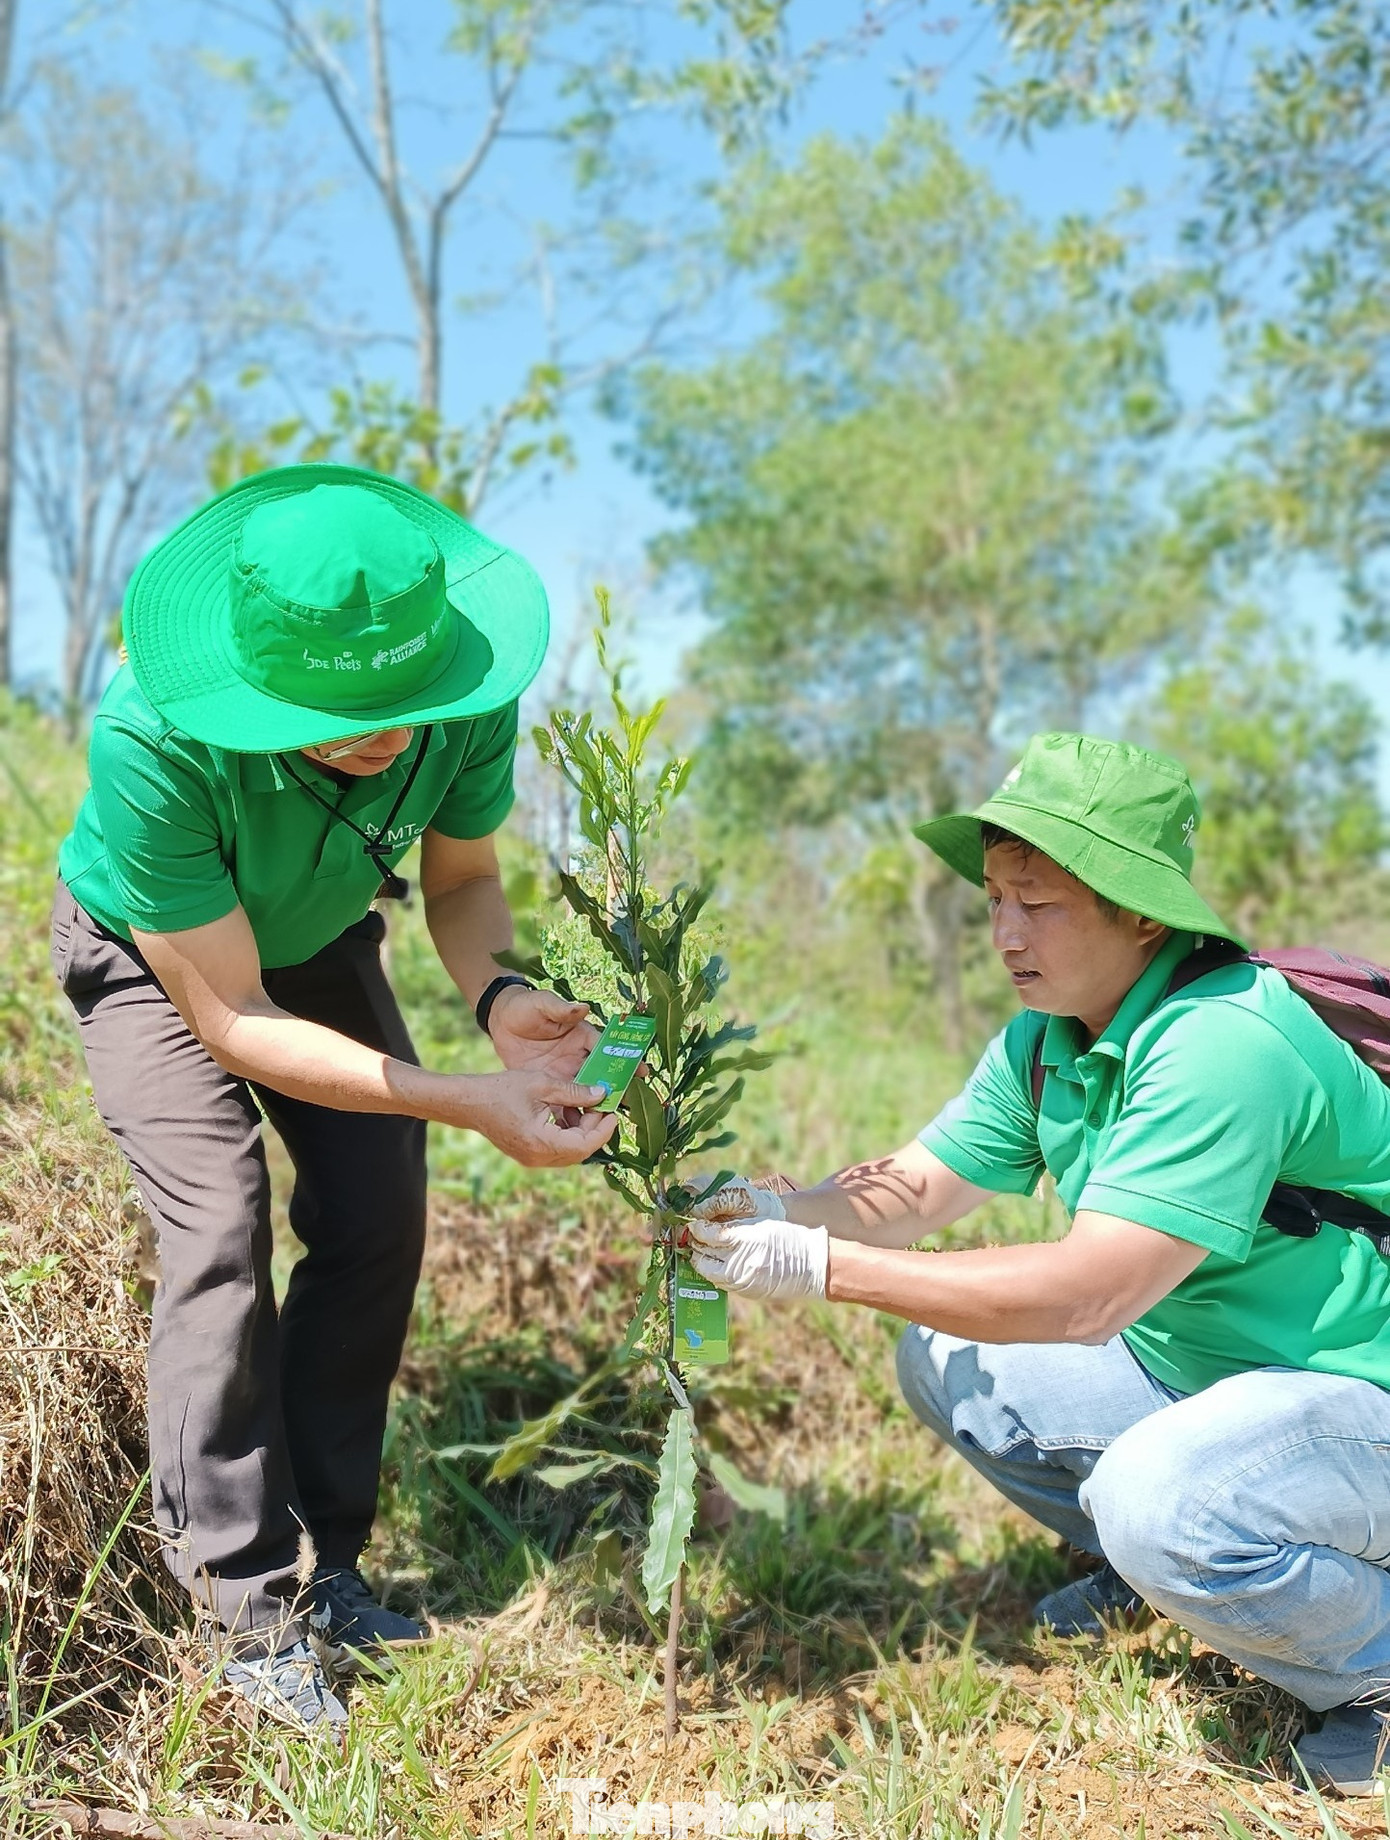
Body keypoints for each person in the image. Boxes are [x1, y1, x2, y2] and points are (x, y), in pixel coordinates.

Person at [690, 731, 1390, 1796]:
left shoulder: (1220, 1042)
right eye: (993, 900)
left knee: (1161, 1502)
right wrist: (777, 1210)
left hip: (1358, 1390)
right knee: (946, 1354)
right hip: (1226, 1372)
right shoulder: (1047, 1040)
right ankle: (1163, 1573)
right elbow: (915, 1188)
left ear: (1143, 913)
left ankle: (1367, 1667)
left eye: (1041, 902)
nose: (1005, 933)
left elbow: (1086, 1296)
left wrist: (818, 1265)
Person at [51, 464, 616, 1730]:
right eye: (346, 715)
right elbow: (233, 1019)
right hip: (162, 955)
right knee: (218, 1227)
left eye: (408, 705)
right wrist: (458, 1096)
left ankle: (327, 1561)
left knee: (377, 1208)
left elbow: (460, 880)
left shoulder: (462, 692)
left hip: (318, 932)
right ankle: (243, 1609)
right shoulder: (153, 738)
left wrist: (499, 1000)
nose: (388, 738)